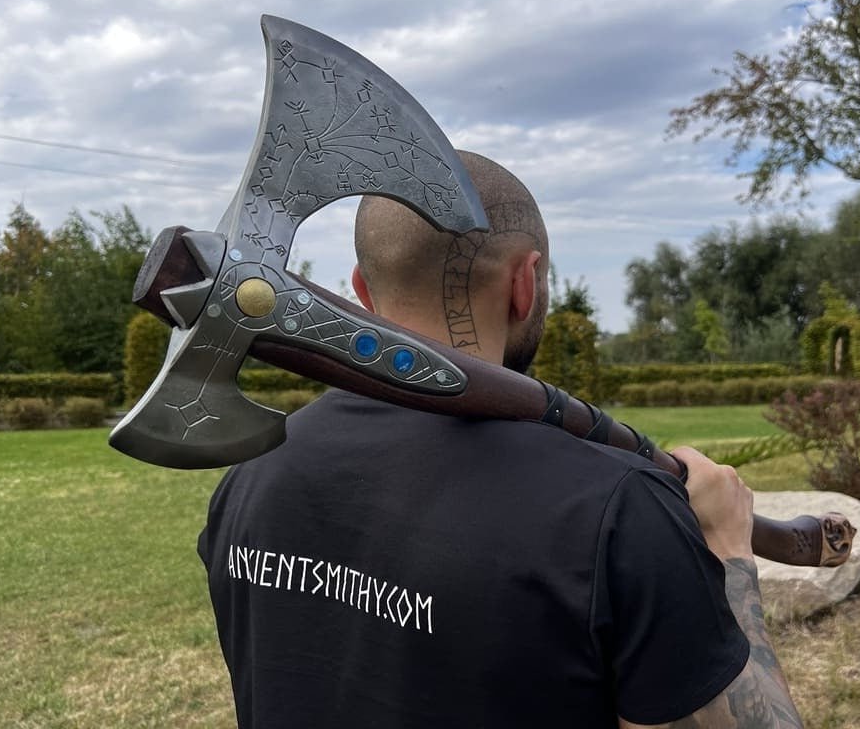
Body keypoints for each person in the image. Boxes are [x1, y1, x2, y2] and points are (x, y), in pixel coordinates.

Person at [198, 151, 802, 728]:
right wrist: (730, 558)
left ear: (361, 289)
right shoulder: (622, 512)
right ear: (525, 281)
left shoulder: (251, 469)